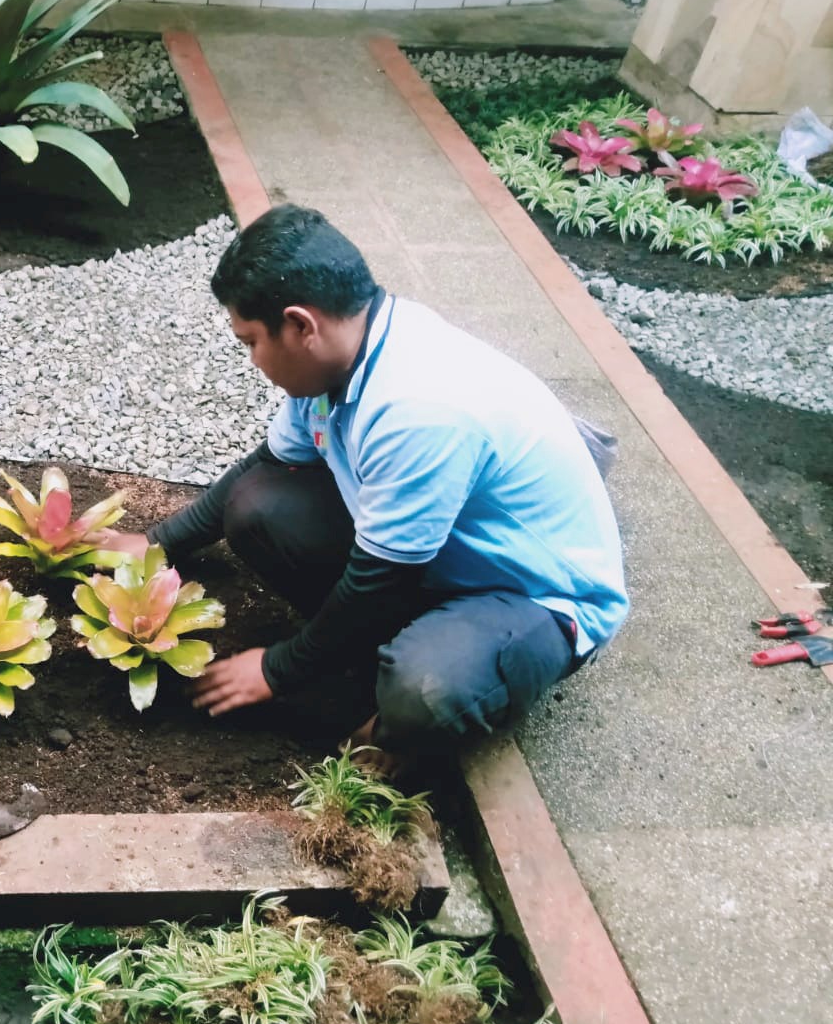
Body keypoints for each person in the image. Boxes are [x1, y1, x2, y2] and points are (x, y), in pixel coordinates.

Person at [102, 205, 628, 768]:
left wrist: (276, 670)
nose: (252, 360)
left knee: (425, 689)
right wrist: (160, 542)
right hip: (441, 556)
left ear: (302, 325)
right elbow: (269, 465)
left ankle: (405, 711)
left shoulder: (419, 408)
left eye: (251, 341)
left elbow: (380, 579)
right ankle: (383, 649)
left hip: (530, 596)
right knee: (258, 507)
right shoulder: (349, 350)